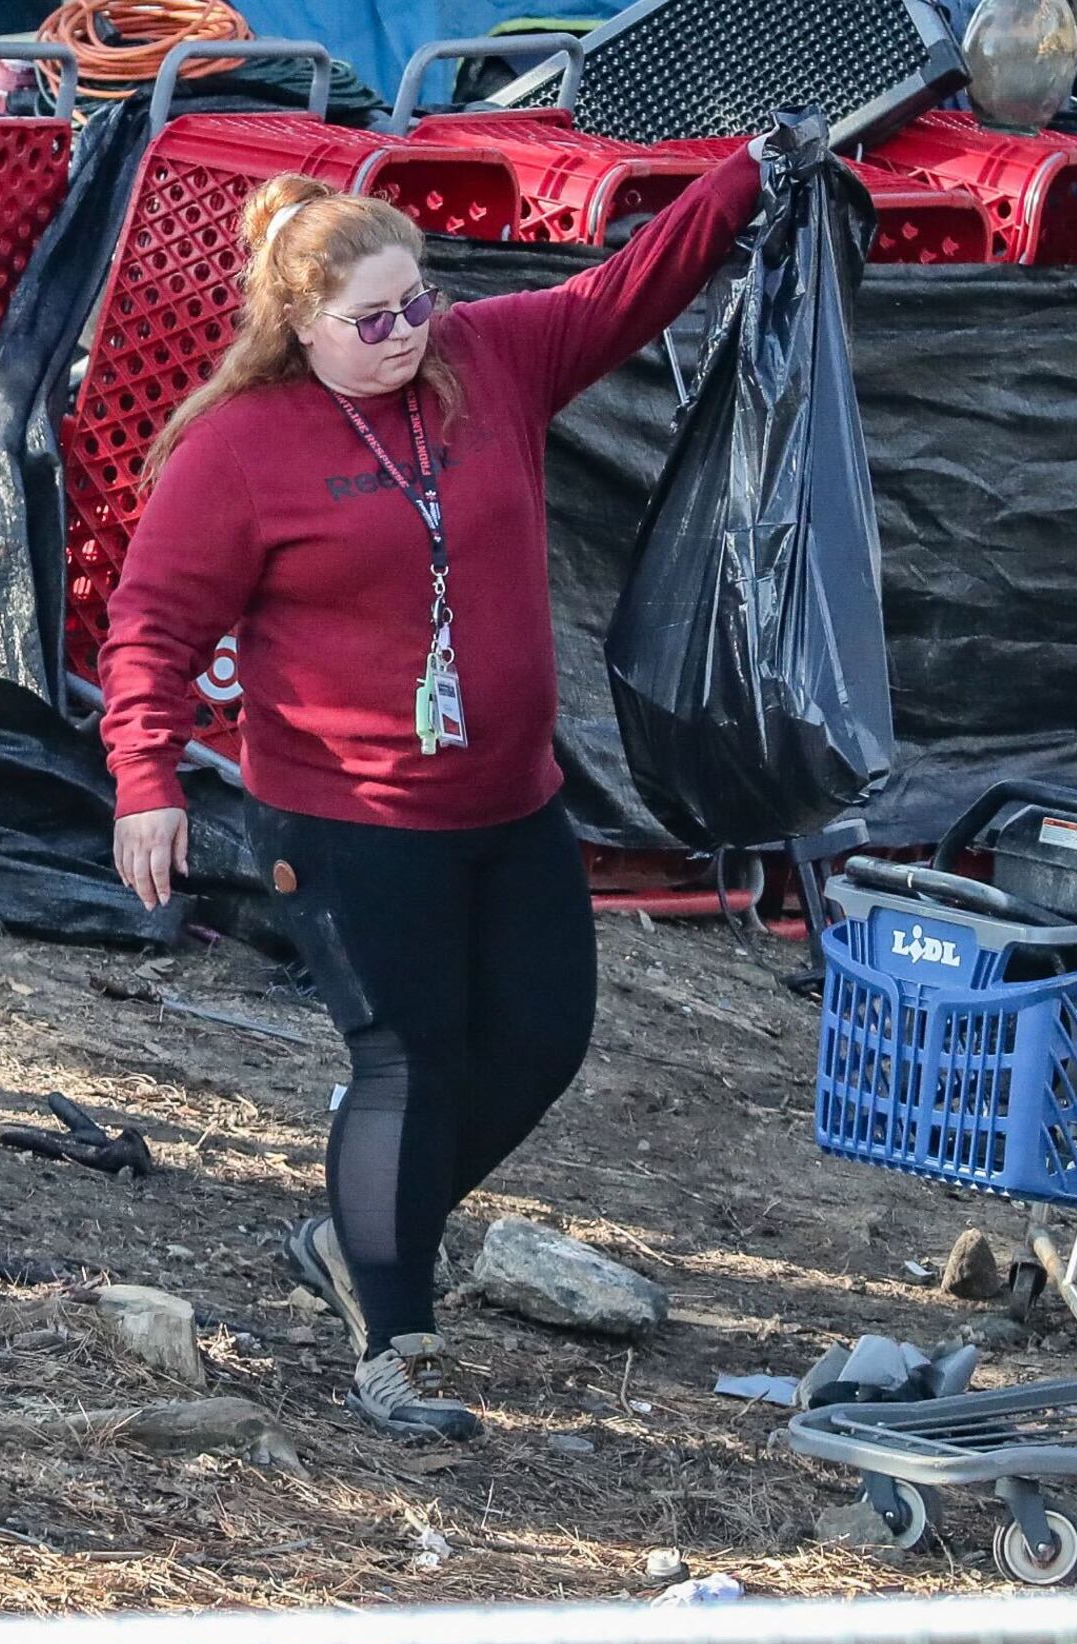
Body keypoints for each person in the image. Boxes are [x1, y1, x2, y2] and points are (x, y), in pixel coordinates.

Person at [98, 141, 786, 1442]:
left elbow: (626, 291)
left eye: (420, 302)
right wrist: (147, 776)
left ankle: (361, 1234)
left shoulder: (487, 361)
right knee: (404, 1060)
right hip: (346, 819)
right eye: (372, 320)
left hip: (510, 801)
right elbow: (153, 626)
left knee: (539, 1039)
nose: (407, 334)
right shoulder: (241, 448)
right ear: (297, 324)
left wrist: (747, 179)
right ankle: (391, 1341)